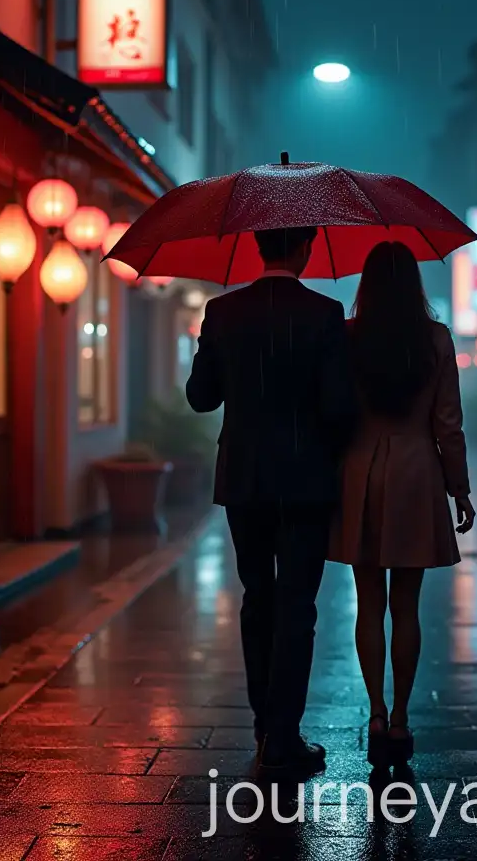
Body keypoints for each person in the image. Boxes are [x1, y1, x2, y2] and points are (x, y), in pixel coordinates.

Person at [186, 225, 357, 775]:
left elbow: (200, 397)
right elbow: (337, 407)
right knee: (297, 607)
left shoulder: (223, 311)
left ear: (258, 246)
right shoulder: (325, 313)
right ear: (306, 248)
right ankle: (284, 735)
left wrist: (210, 348)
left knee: (257, 598)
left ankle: (264, 727)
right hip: (307, 481)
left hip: (245, 478)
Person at [328, 240, 475, 766]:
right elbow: (448, 424)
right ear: (415, 284)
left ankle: (373, 709)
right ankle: (401, 719)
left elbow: (332, 410)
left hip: (360, 472)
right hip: (417, 472)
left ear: (365, 284)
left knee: (368, 601)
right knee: (405, 605)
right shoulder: (435, 339)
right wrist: (460, 488)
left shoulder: (346, 337)